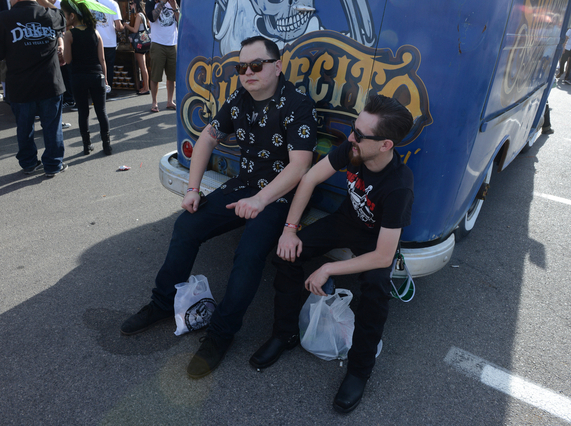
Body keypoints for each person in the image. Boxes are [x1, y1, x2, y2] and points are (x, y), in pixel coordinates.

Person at [120, 36, 317, 380]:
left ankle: (221, 334)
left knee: (249, 253)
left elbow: (300, 166)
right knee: (186, 225)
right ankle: (163, 303)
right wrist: (192, 189)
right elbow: (208, 137)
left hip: (280, 194)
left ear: (277, 66)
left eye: (256, 65)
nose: (248, 72)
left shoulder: (299, 105)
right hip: (244, 185)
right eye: (242, 67)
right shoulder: (240, 98)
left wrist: (261, 200)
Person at [250, 95, 414, 414]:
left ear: (385, 145)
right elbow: (310, 178)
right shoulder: (353, 149)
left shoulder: (399, 185)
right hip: (345, 221)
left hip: (375, 240)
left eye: (360, 135)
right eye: (353, 127)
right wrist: (289, 230)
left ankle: (359, 370)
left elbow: (384, 256)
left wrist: (327, 270)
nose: (351, 137)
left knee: (376, 292)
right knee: (287, 254)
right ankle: (284, 334)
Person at [0, 0, 67, 177]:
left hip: (20, 83)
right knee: (52, 126)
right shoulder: (51, 15)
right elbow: (63, 15)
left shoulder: (2, 19)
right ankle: (53, 164)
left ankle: (29, 163)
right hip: (49, 81)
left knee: (24, 127)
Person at [61, 0, 112, 155]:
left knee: (83, 112)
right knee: (101, 111)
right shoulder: (95, 33)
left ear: (72, 16)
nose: (64, 17)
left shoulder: (69, 35)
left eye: (65, 15)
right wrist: (105, 78)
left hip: (79, 77)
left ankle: (87, 145)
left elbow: (67, 60)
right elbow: (102, 59)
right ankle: (106, 145)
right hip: (97, 75)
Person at [146, 0, 178, 112]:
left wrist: (174, 7)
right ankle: (154, 102)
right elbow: (152, 18)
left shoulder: (175, 2)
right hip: (158, 43)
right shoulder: (151, 2)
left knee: (172, 76)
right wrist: (162, 3)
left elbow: (181, 22)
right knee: (155, 75)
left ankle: (170, 101)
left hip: (172, 43)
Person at [91, 0, 122, 94]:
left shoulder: (91, 2)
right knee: (109, 67)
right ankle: (107, 89)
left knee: (95, 66)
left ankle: (95, 90)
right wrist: (123, 27)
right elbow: (118, 26)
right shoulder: (113, 4)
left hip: (94, 40)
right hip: (109, 41)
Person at [123, 0, 149, 95]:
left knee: (142, 67)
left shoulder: (138, 15)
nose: (130, 6)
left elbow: (135, 30)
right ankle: (145, 86)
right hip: (144, 42)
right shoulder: (143, 14)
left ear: (135, 4)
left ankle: (146, 88)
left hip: (139, 43)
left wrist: (126, 25)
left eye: (131, 4)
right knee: (144, 66)